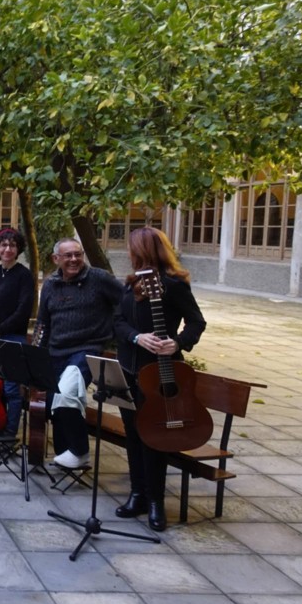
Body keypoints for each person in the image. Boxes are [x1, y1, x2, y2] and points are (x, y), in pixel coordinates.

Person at [113, 227, 206, 532]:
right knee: (133, 434)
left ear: (144, 250)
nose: (130, 252)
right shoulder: (130, 284)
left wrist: (177, 343)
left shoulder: (173, 285)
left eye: (133, 248)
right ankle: (138, 494)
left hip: (161, 376)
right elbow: (118, 322)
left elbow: (196, 321)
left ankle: (155, 502)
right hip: (129, 370)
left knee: (154, 437)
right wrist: (137, 337)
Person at [36, 237, 123, 469]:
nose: (74, 259)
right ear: (56, 259)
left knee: (67, 395)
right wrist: (36, 354)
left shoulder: (99, 278)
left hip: (86, 350)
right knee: (55, 405)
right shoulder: (51, 284)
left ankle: (80, 451)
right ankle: (65, 456)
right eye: (68, 255)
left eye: (78, 254)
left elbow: (126, 303)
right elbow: (43, 323)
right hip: (56, 352)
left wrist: (116, 332)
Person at [0, 227, 36, 443]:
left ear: (18, 248)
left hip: (11, 338)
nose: (8, 249)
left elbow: (23, 311)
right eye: (3, 245)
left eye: (12, 245)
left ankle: (9, 434)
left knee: (11, 389)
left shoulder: (24, 275)